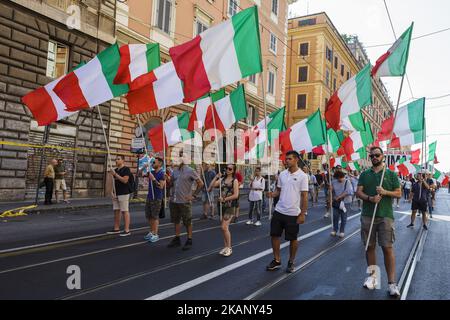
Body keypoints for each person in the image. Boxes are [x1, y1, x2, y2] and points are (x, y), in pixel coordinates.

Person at [356, 146, 402, 297]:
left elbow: (398, 193)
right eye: (372, 156)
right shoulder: (365, 174)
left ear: (383, 156)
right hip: (368, 215)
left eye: (377, 155)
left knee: (387, 248)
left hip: (385, 216)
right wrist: (370, 198)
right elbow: (359, 192)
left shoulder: (390, 174)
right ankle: (373, 277)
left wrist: (384, 192)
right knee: (369, 246)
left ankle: (392, 283)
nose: (374, 157)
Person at [266, 150, 308, 273]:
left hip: (293, 213)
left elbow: (304, 196)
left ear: (296, 160)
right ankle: (277, 260)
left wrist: (302, 214)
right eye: (286, 159)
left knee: (293, 239)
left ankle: (291, 261)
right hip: (279, 210)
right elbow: (278, 191)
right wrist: (272, 194)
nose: (287, 161)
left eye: (289, 159)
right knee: (274, 235)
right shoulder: (282, 174)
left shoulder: (302, 176)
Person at [166, 152, 203, 250]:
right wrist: (168, 179)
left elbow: (200, 184)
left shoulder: (191, 170)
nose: (181, 157)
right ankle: (177, 238)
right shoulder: (175, 170)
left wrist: (193, 196)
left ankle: (189, 239)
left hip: (184, 201)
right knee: (176, 220)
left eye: (183, 156)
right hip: (174, 200)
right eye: (180, 156)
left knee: (187, 221)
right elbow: (170, 184)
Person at [208, 164, 240, 256]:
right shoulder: (222, 179)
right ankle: (225, 247)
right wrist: (216, 177)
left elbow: (236, 195)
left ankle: (229, 248)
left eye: (230, 169)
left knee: (224, 227)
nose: (227, 170)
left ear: (233, 170)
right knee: (224, 228)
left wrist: (225, 199)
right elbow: (211, 186)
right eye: (226, 168)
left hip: (230, 206)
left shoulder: (235, 181)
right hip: (221, 206)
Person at [107, 155, 133, 237]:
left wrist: (115, 174)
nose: (116, 161)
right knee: (116, 211)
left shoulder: (126, 169)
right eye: (116, 159)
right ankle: (116, 228)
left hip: (124, 192)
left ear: (123, 160)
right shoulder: (115, 170)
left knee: (125, 211)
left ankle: (127, 230)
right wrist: (111, 192)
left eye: (118, 159)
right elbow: (112, 181)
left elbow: (125, 180)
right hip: (116, 193)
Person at [144, 157, 166, 243]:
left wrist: (153, 179)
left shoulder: (162, 173)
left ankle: (155, 234)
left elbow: (161, 186)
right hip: (149, 197)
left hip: (157, 198)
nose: (153, 164)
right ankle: (152, 231)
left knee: (155, 216)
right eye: (152, 162)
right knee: (149, 215)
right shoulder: (151, 172)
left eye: (154, 162)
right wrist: (144, 167)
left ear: (160, 164)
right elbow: (138, 174)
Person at [331, 170, 353, 238]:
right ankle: (335, 230)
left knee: (344, 217)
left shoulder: (347, 181)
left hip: (345, 202)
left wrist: (339, 197)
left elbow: (347, 191)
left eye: (340, 178)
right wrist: (331, 190)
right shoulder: (334, 181)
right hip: (336, 202)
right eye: (337, 178)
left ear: (343, 176)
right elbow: (333, 191)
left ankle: (342, 231)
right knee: (335, 216)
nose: (339, 180)